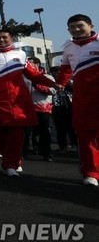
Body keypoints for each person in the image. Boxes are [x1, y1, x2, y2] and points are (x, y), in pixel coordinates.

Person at [0, 29, 61, 177]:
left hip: (19, 102)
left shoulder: (20, 54)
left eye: (5, 37)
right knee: (2, 135)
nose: (1, 40)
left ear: (11, 38)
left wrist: (53, 84)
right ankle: (11, 162)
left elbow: (34, 75)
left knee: (17, 134)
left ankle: (11, 164)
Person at [57, 14, 99, 186]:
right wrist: (59, 84)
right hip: (82, 98)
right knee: (85, 135)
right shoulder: (68, 47)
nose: (76, 29)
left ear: (91, 25)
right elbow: (65, 69)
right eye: (72, 27)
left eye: (80, 25)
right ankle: (91, 173)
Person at [26, 57, 55, 162]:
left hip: (43, 108)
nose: (29, 66)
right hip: (28, 108)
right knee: (27, 131)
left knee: (44, 131)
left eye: (31, 64)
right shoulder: (25, 77)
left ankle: (46, 153)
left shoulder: (48, 77)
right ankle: (27, 151)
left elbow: (53, 90)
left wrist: (37, 85)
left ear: (37, 65)